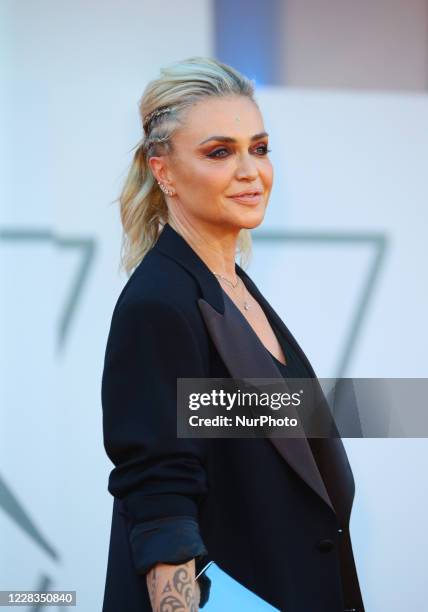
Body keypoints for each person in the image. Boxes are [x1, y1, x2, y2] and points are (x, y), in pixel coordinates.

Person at [101, 56, 365, 612]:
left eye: (260, 148)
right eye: (220, 152)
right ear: (163, 171)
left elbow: (267, 425)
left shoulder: (231, 287)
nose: (251, 171)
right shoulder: (160, 303)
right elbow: (160, 497)